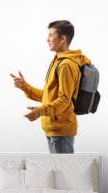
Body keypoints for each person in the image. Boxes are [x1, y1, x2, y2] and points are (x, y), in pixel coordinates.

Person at [12, 20, 91, 153]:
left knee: (62, 172)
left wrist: (40, 111)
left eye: (50, 35)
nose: (47, 39)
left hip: (61, 131)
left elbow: (64, 100)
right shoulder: (58, 60)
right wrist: (24, 87)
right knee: (57, 172)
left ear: (62, 39)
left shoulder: (66, 65)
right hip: (54, 130)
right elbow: (48, 96)